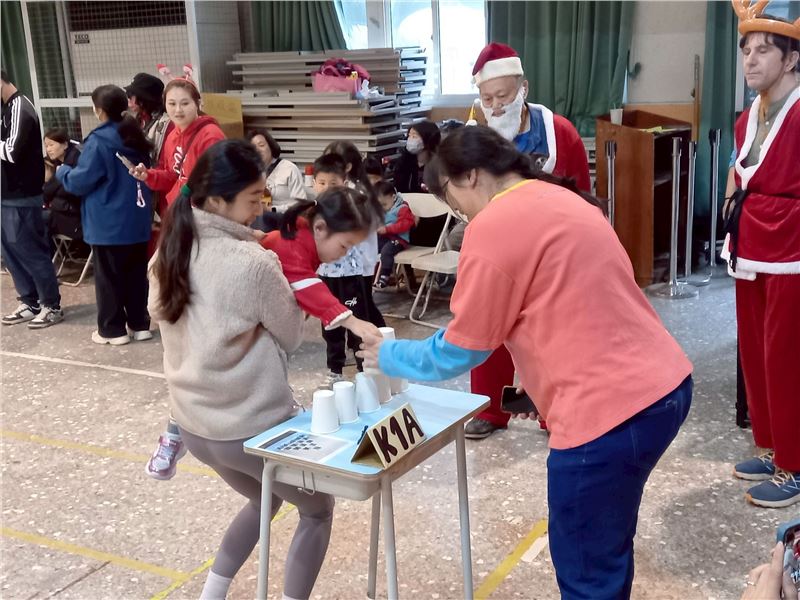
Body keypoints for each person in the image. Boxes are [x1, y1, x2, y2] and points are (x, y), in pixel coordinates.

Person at [359, 125, 693, 600]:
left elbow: (462, 348)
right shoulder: (561, 197)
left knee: (587, 567)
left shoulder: (494, 225)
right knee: (606, 544)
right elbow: (574, 303)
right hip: (663, 387)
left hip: (606, 416)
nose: (458, 211)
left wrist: (389, 353)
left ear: (470, 175)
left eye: (450, 196)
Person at [148, 139, 334, 600]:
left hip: (194, 427)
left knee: (263, 499)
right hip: (248, 428)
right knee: (317, 510)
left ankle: (212, 593)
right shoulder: (253, 262)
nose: (261, 207)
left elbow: (160, 314)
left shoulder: (169, 250)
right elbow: (291, 336)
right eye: (253, 198)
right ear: (217, 201)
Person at [464, 41, 592, 440]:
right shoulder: (472, 140)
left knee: (554, 336)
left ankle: (554, 411)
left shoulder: (558, 133)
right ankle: (489, 408)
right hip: (498, 253)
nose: (496, 106)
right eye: (487, 98)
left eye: (503, 96)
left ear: (524, 89)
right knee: (489, 329)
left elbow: (583, 196)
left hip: (552, 254)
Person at [724, 7, 800, 508]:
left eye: (764, 50)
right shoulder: (746, 118)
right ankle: (774, 448)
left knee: (787, 357)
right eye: (746, 51)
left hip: (793, 246)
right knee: (756, 354)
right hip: (751, 242)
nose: (750, 60)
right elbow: (741, 173)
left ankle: (796, 465)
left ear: (791, 59)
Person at [56, 84, 153, 346]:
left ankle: (112, 330)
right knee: (136, 275)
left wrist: (63, 171)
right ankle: (140, 324)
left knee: (109, 278)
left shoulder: (99, 141)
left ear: (99, 110)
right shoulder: (135, 135)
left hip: (108, 222)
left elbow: (80, 181)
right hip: (137, 219)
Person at [316, 141, 385, 385]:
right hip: (326, 273)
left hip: (353, 273)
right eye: (321, 182)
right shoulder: (316, 205)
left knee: (358, 317)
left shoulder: (355, 198)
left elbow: (368, 230)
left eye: (332, 182)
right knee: (331, 322)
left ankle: (364, 365)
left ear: (344, 175)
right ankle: (335, 367)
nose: (327, 187)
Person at [1, 69, 63, 329]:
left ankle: (51, 305)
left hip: (22, 196)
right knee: (10, 253)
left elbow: (12, 151)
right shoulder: (6, 108)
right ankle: (30, 301)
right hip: (5, 195)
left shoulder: (20, 108)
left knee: (31, 252)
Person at [131, 76, 225, 215]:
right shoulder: (172, 136)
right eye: (172, 104)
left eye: (185, 103)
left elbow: (219, 181)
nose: (178, 110)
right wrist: (148, 175)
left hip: (203, 215)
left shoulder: (210, 136)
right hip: (179, 212)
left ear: (198, 103)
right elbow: (171, 176)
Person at [246, 128, 307, 232]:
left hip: (285, 220)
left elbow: (302, 205)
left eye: (261, 145)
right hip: (257, 222)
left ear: (271, 146)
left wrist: (272, 209)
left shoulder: (288, 168)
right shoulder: (249, 173)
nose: (258, 150)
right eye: (253, 148)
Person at [42, 128, 84, 243]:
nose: (48, 149)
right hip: (64, 212)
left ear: (65, 145)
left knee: (35, 221)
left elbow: (66, 190)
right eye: (46, 146)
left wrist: (51, 190)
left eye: (51, 145)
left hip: (74, 217)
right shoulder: (59, 163)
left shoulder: (74, 163)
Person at [373, 181, 415, 290]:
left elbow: (405, 224)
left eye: (384, 204)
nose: (382, 208)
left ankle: (385, 275)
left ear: (393, 197)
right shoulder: (384, 209)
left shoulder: (402, 208)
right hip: (385, 237)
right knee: (370, 246)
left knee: (386, 251)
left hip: (398, 239)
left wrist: (387, 229)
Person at [125, 72, 171, 165]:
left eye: (130, 95)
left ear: (144, 98)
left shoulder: (165, 124)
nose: (128, 99)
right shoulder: (140, 118)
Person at [391, 119, 441, 194]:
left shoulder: (439, 165)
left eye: (414, 136)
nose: (410, 139)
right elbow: (399, 188)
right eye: (409, 136)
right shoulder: (403, 162)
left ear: (428, 139)